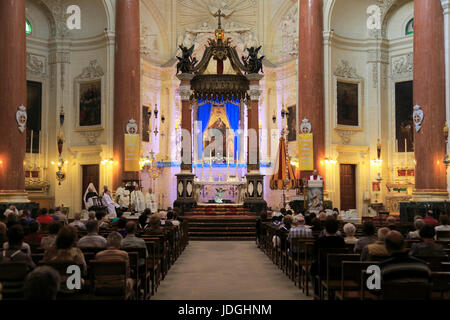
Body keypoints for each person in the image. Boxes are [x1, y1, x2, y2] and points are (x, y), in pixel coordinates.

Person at [95, 232, 134, 297]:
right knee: (131, 280)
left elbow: (97, 275)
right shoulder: (124, 254)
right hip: (120, 286)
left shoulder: (98, 255)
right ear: (120, 243)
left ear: (107, 242)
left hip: (101, 287)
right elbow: (127, 274)